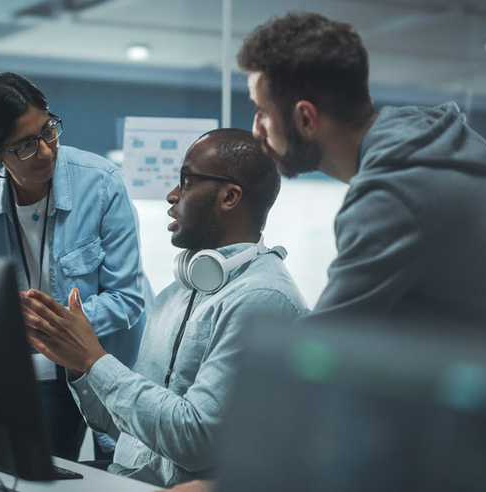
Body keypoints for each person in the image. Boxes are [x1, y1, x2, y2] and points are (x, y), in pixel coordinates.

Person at [160, 10, 486, 492]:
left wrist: (231, 482)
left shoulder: (394, 191)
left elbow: (320, 353)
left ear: (305, 117)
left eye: (263, 111)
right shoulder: (417, 143)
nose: (257, 129)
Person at [20, 128, 306, 487]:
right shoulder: (175, 293)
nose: (172, 196)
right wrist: (77, 364)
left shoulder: (262, 299)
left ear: (230, 196)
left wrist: (95, 359)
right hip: (122, 481)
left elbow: (195, 441)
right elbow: (127, 426)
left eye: (186, 182)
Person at [0, 71, 154, 461]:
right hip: (36, 374)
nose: (46, 151)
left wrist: (44, 326)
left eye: (48, 130)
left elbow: (128, 300)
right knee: (33, 474)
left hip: (110, 367)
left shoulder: (102, 183)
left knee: (121, 473)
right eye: (26, 145)